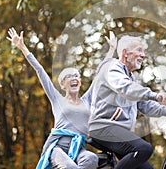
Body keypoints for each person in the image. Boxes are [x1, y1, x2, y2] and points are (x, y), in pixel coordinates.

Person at [7, 27, 116, 169]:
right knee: (71, 167)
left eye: (76, 75)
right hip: (57, 149)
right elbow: (40, 70)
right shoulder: (57, 99)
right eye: (69, 76)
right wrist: (22, 47)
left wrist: (112, 49)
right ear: (63, 85)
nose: (74, 78)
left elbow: (100, 75)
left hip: (79, 149)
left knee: (91, 158)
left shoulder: (87, 99)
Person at [88, 35, 166, 169]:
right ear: (125, 53)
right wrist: (155, 95)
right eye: (139, 50)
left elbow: (144, 104)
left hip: (118, 132)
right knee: (144, 149)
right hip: (103, 127)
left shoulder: (130, 78)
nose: (143, 55)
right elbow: (127, 89)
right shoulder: (112, 68)